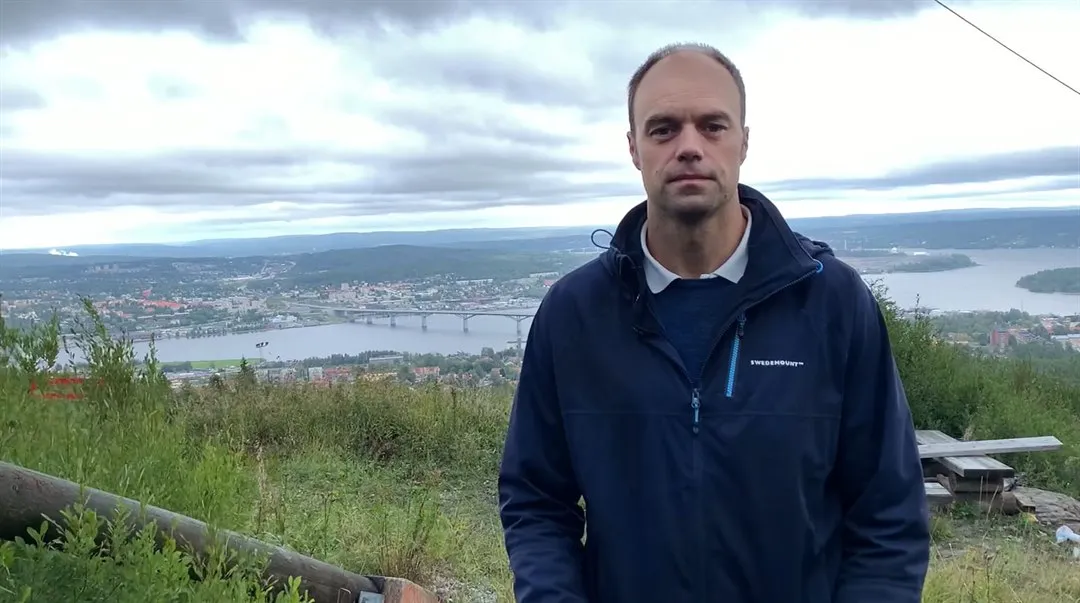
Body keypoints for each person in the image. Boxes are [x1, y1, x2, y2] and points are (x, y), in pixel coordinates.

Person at [497, 42, 931, 603]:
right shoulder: (574, 313)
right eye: (663, 129)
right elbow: (536, 500)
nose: (689, 147)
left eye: (712, 126)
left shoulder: (831, 302)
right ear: (634, 148)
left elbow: (887, 514)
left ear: (744, 141)